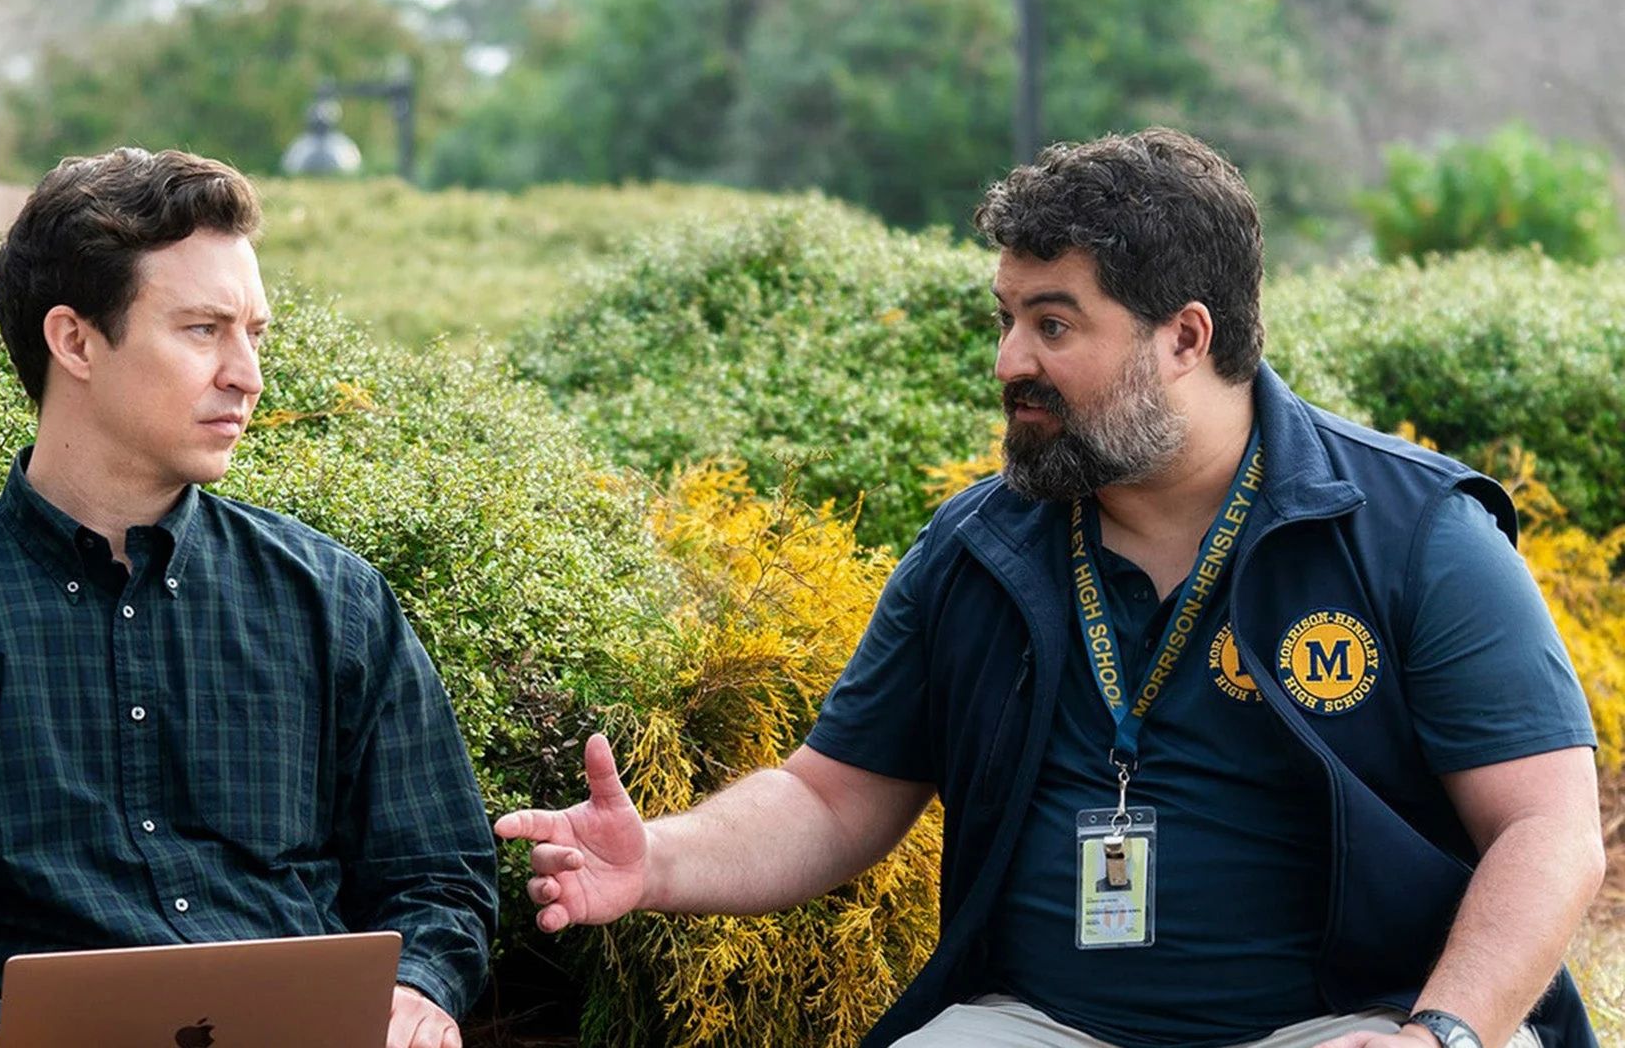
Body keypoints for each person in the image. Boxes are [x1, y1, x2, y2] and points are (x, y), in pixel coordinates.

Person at [495, 128, 1606, 1048]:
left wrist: (1444, 1033)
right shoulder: (980, 548)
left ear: (1185, 337)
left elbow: (1546, 830)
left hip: (1353, 1026)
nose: (1009, 360)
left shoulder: (1414, 533)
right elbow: (833, 796)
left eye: (1054, 322)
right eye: (1007, 317)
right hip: (1042, 1027)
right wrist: (664, 860)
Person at [0, 148, 495, 1048]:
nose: (248, 375)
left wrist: (417, 994)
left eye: (255, 333)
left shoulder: (334, 602)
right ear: (75, 341)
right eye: (203, 330)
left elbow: (439, 874)